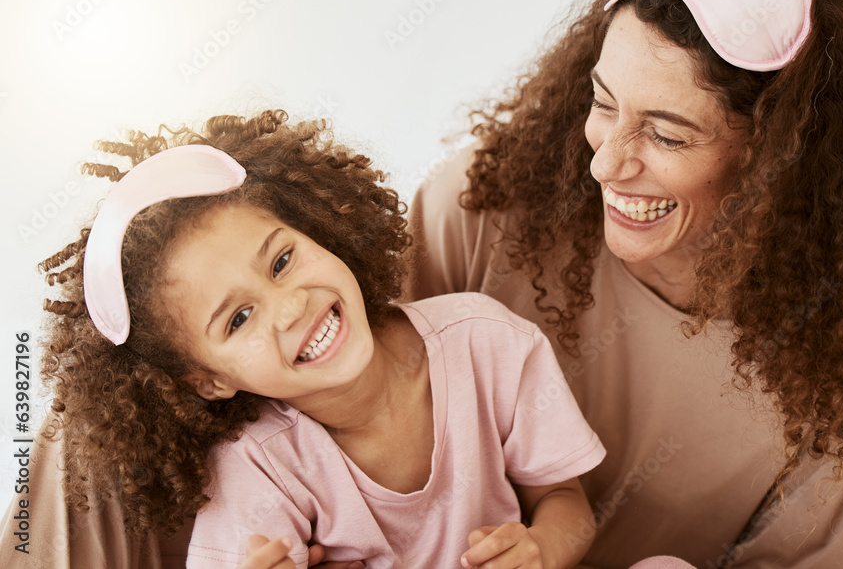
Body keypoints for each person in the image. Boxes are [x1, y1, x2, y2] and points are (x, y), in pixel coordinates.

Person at [403, 0, 843, 568]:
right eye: (603, 103)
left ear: (775, 165)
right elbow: (329, 414)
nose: (606, 164)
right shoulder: (484, 207)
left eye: (667, 136)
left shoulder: (838, 357)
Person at [7, 110, 609, 569]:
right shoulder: (258, 464)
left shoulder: (488, 343)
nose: (292, 306)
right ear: (210, 380)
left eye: (282, 260)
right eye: (238, 320)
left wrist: (540, 551)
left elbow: (567, 501)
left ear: (322, 230)